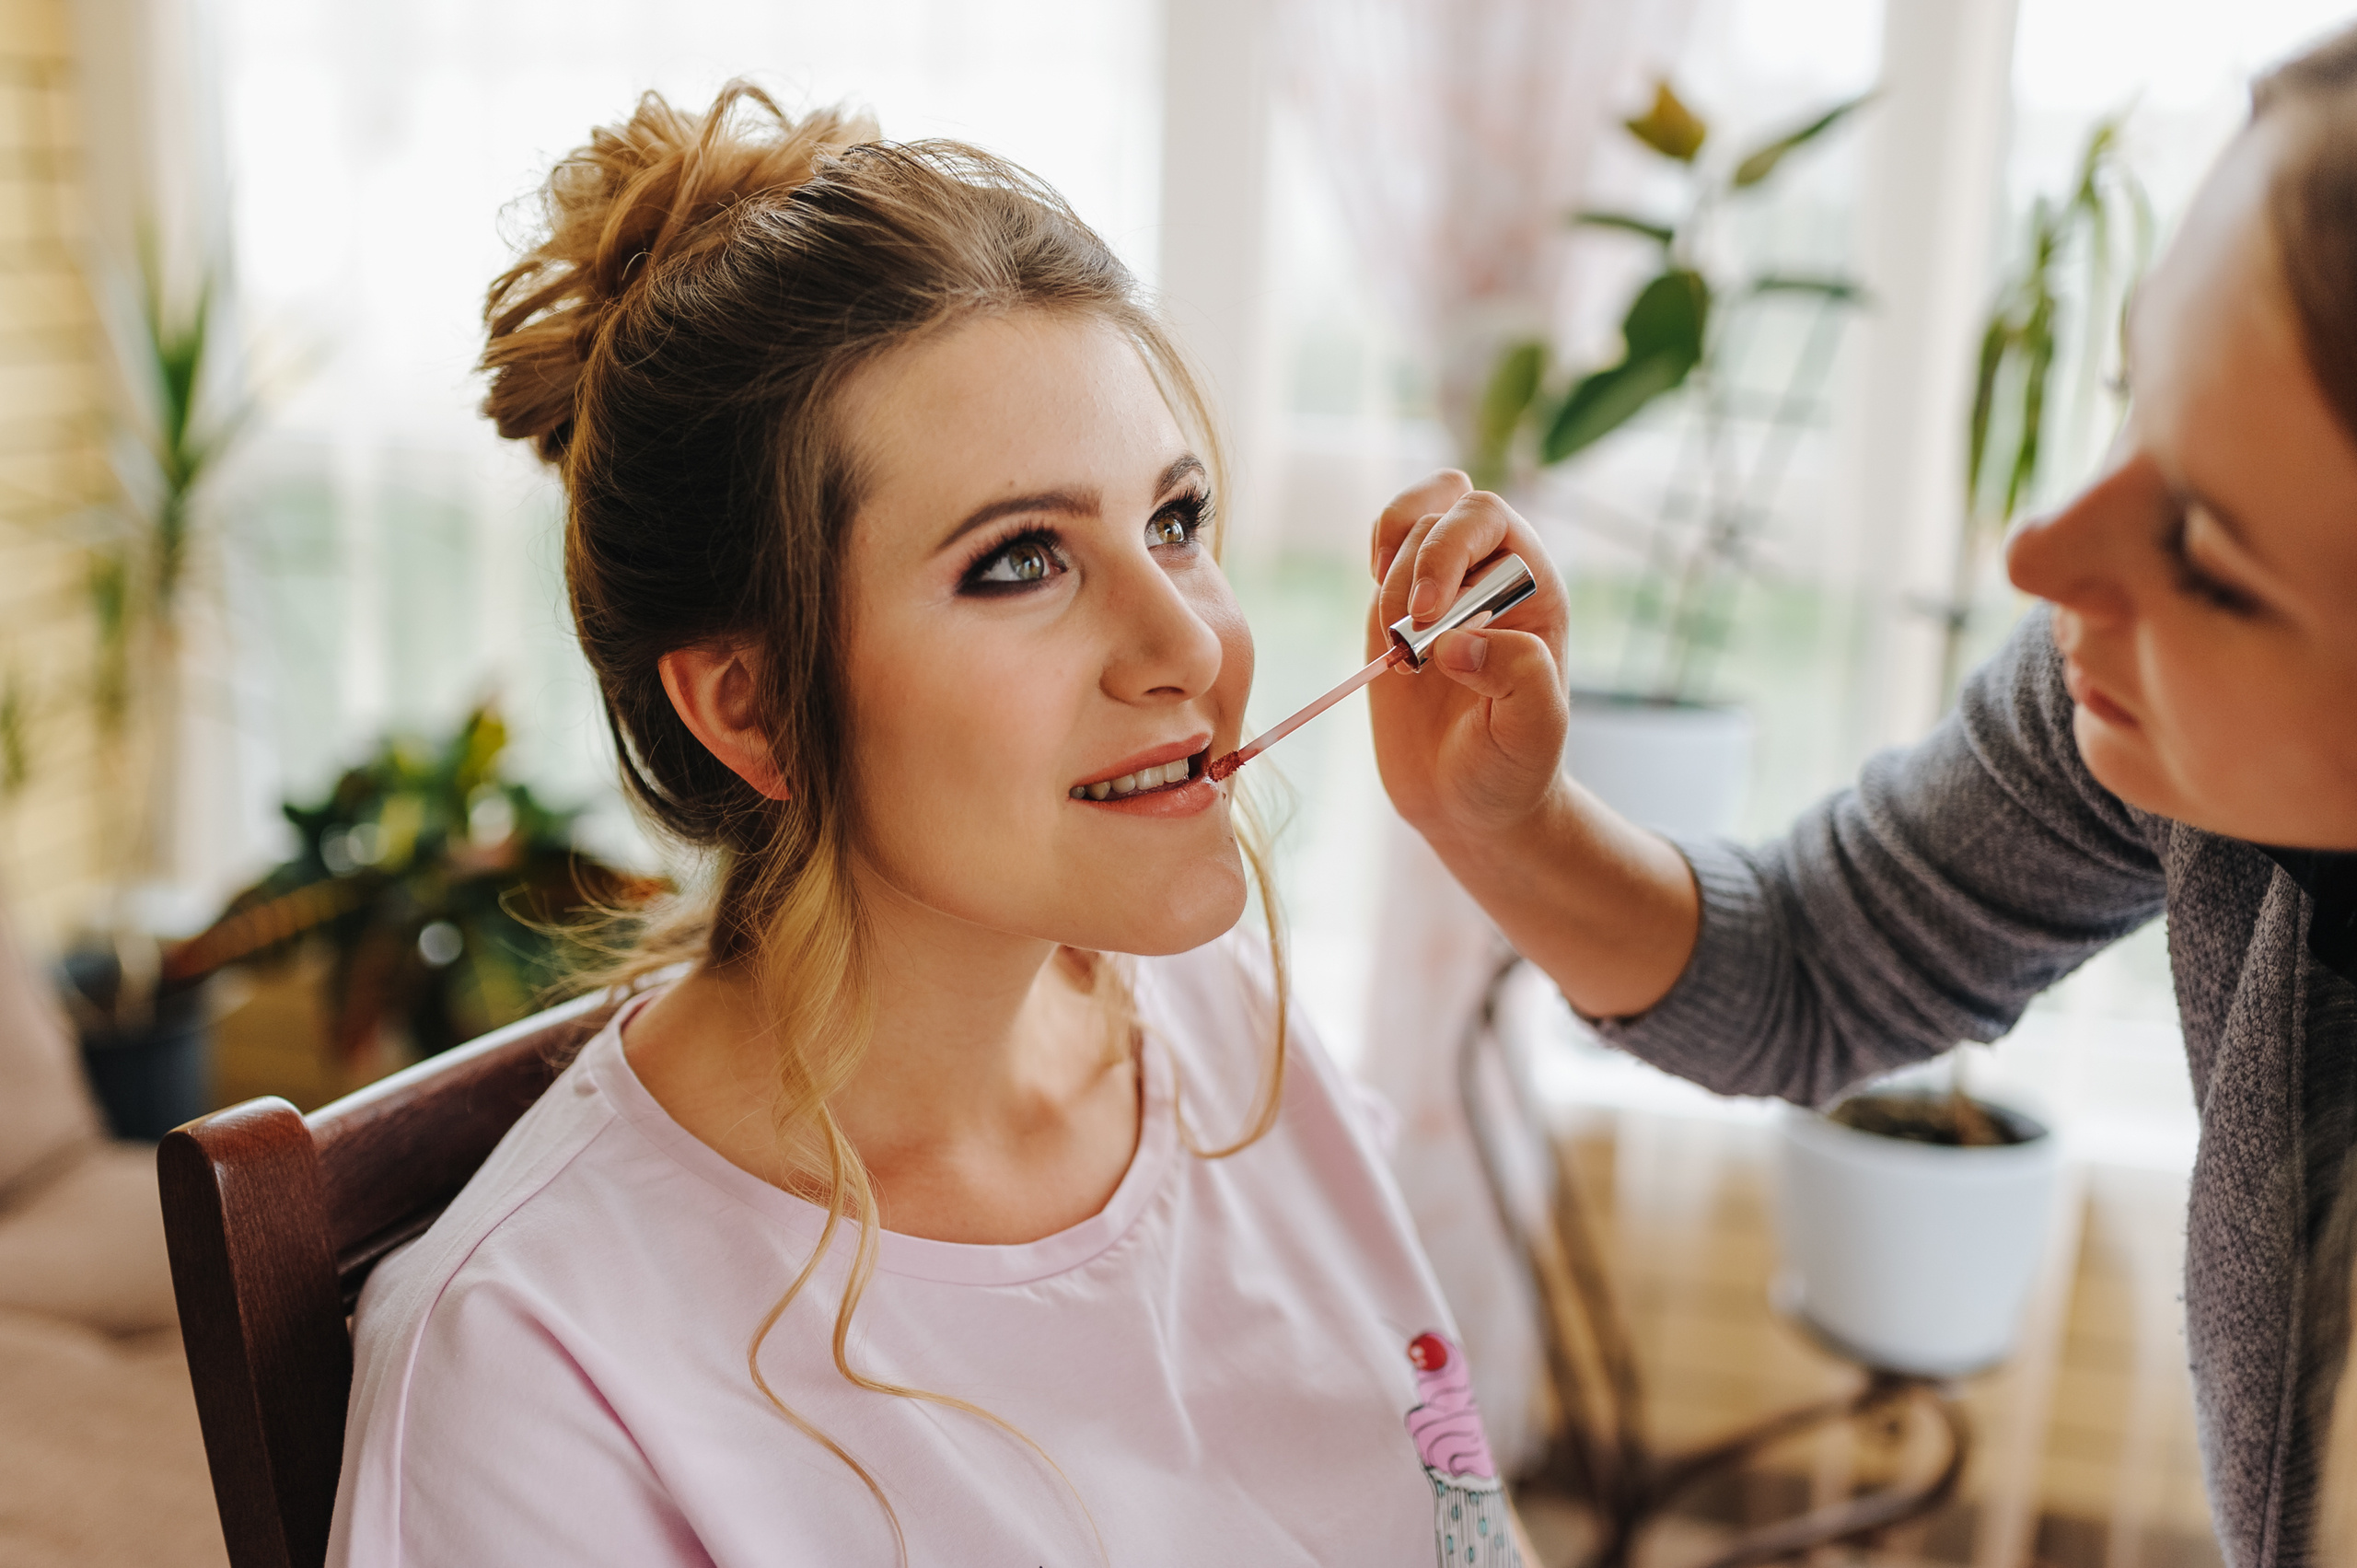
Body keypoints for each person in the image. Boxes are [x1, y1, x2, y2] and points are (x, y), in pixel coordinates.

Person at [328, 86, 1530, 1567]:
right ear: (751, 708)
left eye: (1175, 520)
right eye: (1020, 560)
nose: (1191, 646)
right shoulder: (535, 1365)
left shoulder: (1226, 1029)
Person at [1364, 27, 2357, 1568]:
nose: (2041, 560)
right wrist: (1502, 820)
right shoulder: (2130, 694)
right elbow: (1813, 961)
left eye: (2209, 557)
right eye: (2131, 394)